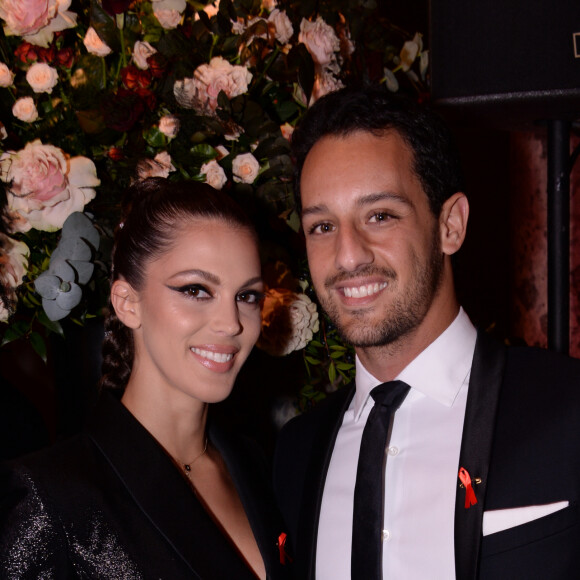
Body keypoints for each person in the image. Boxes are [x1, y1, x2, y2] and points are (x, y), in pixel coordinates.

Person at [273, 85, 580, 580]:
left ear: (451, 225)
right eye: (322, 226)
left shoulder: (568, 411)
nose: (348, 256)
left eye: (380, 216)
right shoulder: (296, 454)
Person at [0, 177, 292, 579]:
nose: (231, 324)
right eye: (196, 290)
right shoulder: (53, 496)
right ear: (128, 303)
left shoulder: (254, 464)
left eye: (247, 296)